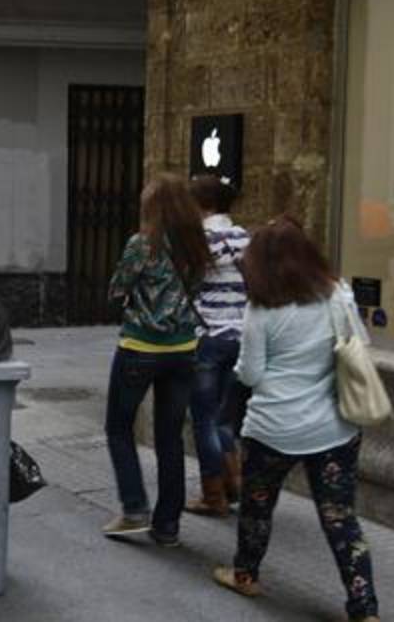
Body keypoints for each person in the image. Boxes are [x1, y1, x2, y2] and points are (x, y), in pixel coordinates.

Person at [212, 215, 379, 622]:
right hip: (333, 428)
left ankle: (246, 575)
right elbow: (361, 345)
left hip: (273, 428)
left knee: (257, 508)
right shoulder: (338, 294)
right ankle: (365, 609)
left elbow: (250, 374)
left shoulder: (261, 309)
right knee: (340, 518)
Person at [101, 172, 211, 547]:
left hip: (140, 348)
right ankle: (167, 525)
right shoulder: (197, 246)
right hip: (183, 351)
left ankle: (134, 508)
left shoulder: (142, 244)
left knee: (118, 426)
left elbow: (117, 288)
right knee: (170, 438)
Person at [185, 175, 252, 517]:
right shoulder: (244, 236)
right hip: (241, 335)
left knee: (203, 419)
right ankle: (234, 481)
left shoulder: (197, 239)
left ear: (202, 205)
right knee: (225, 417)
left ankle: (213, 495)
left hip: (208, 335)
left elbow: (187, 285)